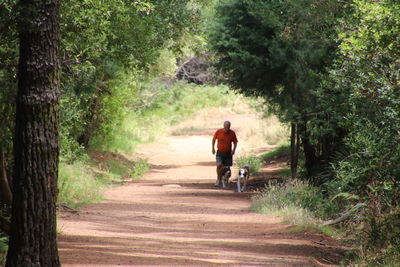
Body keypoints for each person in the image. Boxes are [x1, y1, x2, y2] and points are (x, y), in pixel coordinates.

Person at [212, 121, 238, 186]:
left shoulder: (232, 133)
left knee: (227, 168)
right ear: (223, 126)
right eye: (225, 127)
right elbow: (214, 140)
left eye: (228, 128)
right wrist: (213, 148)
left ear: (230, 127)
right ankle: (218, 179)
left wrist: (233, 150)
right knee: (219, 165)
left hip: (228, 153)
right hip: (220, 152)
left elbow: (235, 142)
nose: (226, 129)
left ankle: (225, 179)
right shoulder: (219, 132)